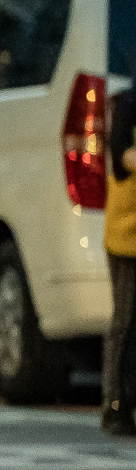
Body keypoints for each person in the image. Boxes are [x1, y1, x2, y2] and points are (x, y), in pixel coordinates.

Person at [103, 79, 135, 436]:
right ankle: (114, 404)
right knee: (124, 322)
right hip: (127, 234)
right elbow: (121, 155)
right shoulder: (127, 103)